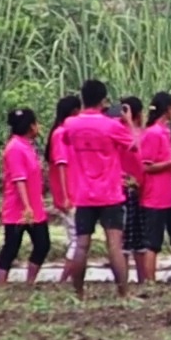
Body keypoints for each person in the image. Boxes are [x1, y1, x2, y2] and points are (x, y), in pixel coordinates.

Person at [61, 80, 140, 300]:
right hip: (110, 193)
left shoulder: (70, 124)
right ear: (104, 100)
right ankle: (123, 293)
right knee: (114, 244)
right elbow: (135, 146)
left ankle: (78, 293)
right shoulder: (111, 126)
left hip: (84, 194)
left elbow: (66, 140)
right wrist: (128, 122)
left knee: (82, 244)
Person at [136, 92, 171, 284]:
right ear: (168, 109)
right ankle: (150, 281)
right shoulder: (153, 133)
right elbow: (146, 166)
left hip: (170, 196)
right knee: (153, 243)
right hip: (155, 198)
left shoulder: (164, 132)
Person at [0, 107, 49, 285]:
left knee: (43, 245)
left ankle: (29, 282)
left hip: (34, 206)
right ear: (30, 126)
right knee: (11, 247)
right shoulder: (15, 148)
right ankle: (1, 283)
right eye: (35, 123)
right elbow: (19, 179)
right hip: (19, 209)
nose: (37, 126)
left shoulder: (26, 146)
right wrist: (26, 207)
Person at [46, 95, 81, 264]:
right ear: (74, 111)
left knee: (77, 238)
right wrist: (66, 196)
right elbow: (61, 164)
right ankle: (65, 278)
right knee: (77, 240)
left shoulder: (63, 133)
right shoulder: (61, 134)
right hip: (69, 195)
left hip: (72, 193)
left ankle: (67, 277)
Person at [119, 95, 147, 284]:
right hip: (126, 188)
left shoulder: (142, 133)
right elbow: (136, 147)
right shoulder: (121, 132)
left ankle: (141, 278)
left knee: (139, 240)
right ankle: (126, 279)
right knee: (125, 240)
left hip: (141, 189)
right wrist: (129, 124)